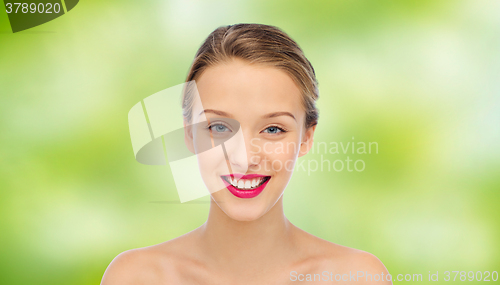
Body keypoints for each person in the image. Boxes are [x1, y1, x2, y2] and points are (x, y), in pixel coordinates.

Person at [101, 23, 391, 284]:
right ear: (190, 134)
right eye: (219, 127)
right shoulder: (135, 277)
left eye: (273, 129)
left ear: (307, 137)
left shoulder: (358, 277)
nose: (244, 158)